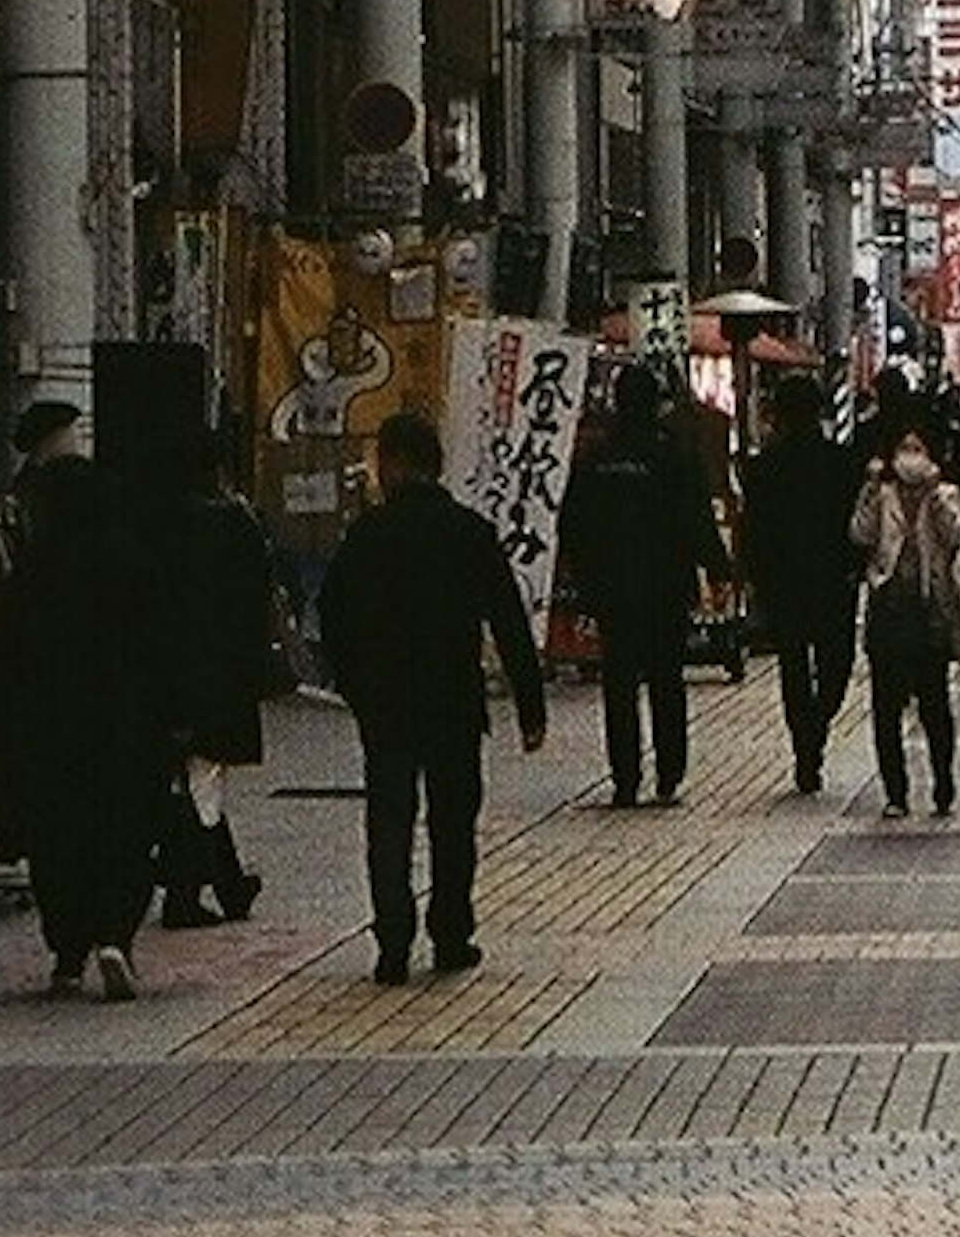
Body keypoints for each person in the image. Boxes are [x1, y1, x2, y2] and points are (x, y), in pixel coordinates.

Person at [318, 405, 549, 977]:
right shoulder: (469, 532)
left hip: (387, 701)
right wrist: (530, 705)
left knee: (390, 819)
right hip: (453, 698)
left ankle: (392, 941)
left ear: (394, 463)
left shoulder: (367, 535)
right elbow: (508, 619)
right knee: (453, 822)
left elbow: (332, 615)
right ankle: (450, 933)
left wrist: (352, 684)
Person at [0, 454, 175, 1001]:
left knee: (59, 839)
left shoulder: (37, 568)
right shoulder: (132, 561)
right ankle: (115, 935)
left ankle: (67, 954)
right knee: (126, 834)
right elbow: (163, 648)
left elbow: (6, 654)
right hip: (127, 729)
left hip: (52, 731)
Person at [559, 359, 725, 809]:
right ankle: (669, 772)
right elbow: (697, 518)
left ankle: (626, 777)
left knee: (619, 684)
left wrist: (585, 580)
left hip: (613, 591)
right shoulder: (675, 454)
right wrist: (718, 568)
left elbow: (573, 526)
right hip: (666, 586)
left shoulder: (597, 460)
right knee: (667, 679)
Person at [150, 421, 281, 928]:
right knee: (202, 783)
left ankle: (227, 886)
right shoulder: (236, 523)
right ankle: (186, 895)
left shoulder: (156, 525)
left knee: (194, 781)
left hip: (168, 675)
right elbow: (257, 602)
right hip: (222, 676)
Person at [736, 374, 863, 799]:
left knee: (792, 665)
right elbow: (857, 527)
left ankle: (805, 740)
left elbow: (754, 528)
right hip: (833, 580)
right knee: (836, 661)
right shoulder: (844, 463)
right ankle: (816, 728)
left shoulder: (763, 468)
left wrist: (753, 575)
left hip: (785, 581)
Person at [850, 409, 960, 817]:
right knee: (886, 706)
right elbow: (860, 534)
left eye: (918, 448)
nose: (911, 456)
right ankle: (896, 792)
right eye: (904, 448)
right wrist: (870, 488)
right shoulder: (881, 493)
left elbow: (957, 536)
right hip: (888, 607)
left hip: (928, 608)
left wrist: (935, 498)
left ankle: (943, 780)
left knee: (934, 703)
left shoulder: (945, 494)